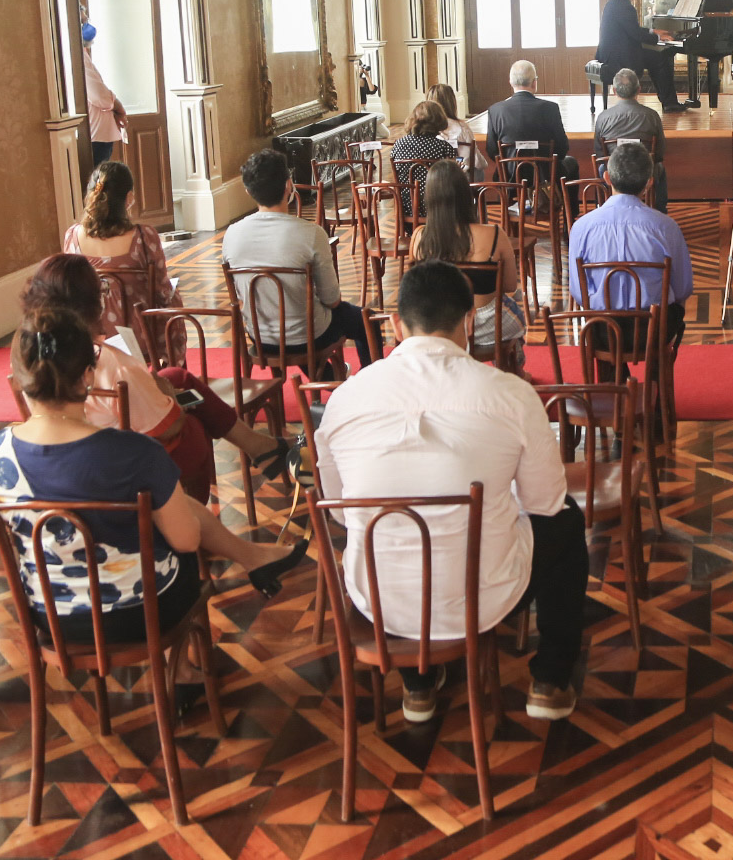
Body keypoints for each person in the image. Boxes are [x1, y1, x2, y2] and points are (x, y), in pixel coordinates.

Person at [0, 305, 308, 653]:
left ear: (16, 379)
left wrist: (21, 562)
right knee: (177, 531)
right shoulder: (136, 452)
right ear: (88, 375)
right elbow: (187, 541)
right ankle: (186, 666)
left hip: (52, 619)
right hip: (145, 613)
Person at [314, 261, 588, 723]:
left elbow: (339, 509)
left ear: (396, 325)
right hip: (484, 596)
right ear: (469, 321)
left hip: (379, 601)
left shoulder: (345, 398)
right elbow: (544, 503)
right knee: (566, 520)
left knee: (387, 527)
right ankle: (550, 680)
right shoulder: (510, 394)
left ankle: (418, 684)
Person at [25, 254, 292, 501]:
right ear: (93, 304)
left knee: (176, 375)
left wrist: (159, 387)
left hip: (67, 457)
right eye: (103, 291)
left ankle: (260, 447)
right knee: (195, 423)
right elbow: (167, 428)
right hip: (124, 462)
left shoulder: (32, 355)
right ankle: (191, 518)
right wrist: (169, 398)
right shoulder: (116, 365)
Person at [222, 149, 374, 374]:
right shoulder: (311, 234)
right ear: (288, 185)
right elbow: (332, 300)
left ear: (248, 191)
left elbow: (242, 295)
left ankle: (331, 377)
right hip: (309, 336)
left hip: (261, 337)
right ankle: (368, 379)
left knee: (302, 314)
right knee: (366, 319)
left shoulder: (231, 234)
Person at [407, 162, 526, 370]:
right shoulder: (493, 234)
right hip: (488, 326)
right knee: (516, 305)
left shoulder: (419, 238)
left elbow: (415, 289)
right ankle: (514, 367)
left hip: (439, 327)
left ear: (430, 198)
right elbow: (509, 285)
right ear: (466, 195)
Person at [567, 143, 692, 341]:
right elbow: (683, 288)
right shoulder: (665, 226)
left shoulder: (581, 227)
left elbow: (578, 292)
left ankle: (611, 362)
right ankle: (659, 359)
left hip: (602, 331)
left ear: (607, 178)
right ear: (649, 183)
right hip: (653, 329)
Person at [62, 159, 182, 347]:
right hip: (139, 335)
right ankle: (167, 363)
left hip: (89, 336)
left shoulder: (72, 236)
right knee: (173, 301)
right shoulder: (143, 237)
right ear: (129, 198)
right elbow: (162, 292)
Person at [594, 0, 683, 112]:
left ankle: (668, 102)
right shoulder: (625, 6)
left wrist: (653, 31)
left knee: (657, 58)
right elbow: (635, 34)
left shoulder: (617, 2)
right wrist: (658, 38)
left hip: (611, 53)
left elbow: (631, 29)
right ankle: (669, 103)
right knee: (660, 58)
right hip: (618, 57)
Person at [484, 60, 578, 181]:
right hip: (545, 176)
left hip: (510, 177)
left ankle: (508, 194)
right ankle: (559, 194)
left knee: (500, 173)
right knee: (571, 163)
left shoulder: (495, 110)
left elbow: (492, 150)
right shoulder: (550, 108)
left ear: (510, 83)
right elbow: (562, 147)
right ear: (534, 83)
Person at [594, 67, 670, 211]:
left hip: (614, 171)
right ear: (639, 90)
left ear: (614, 91)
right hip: (643, 170)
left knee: (602, 167)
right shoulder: (652, 116)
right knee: (659, 167)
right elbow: (660, 153)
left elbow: (599, 154)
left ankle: (603, 207)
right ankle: (660, 210)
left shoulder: (603, 117)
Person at [389, 99, 458, 204]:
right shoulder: (444, 147)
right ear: (439, 120)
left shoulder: (398, 144)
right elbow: (453, 177)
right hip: (435, 205)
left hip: (406, 203)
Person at [81, 20, 128, 166]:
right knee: (96, 179)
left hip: (98, 135)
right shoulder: (76, 56)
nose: (87, 25)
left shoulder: (82, 54)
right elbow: (99, 96)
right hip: (94, 136)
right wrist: (118, 106)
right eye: (82, 21)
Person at [430, 83, 482, 179]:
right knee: (478, 170)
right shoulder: (462, 128)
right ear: (452, 103)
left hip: (431, 176)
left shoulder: (425, 128)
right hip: (458, 176)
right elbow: (471, 158)